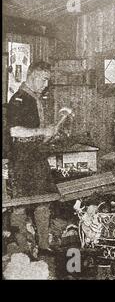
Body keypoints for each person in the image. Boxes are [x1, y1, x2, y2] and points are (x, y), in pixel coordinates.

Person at [7, 61, 58, 257]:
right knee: (19, 205)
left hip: (37, 159)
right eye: (45, 79)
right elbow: (15, 130)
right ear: (34, 76)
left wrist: (49, 134)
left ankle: (44, 247)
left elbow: (34, 133)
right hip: (20, 161)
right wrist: (43, 130)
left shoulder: (35, 99)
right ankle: (21, 251)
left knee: (44, 202)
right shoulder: (18, 99)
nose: (46, 84)